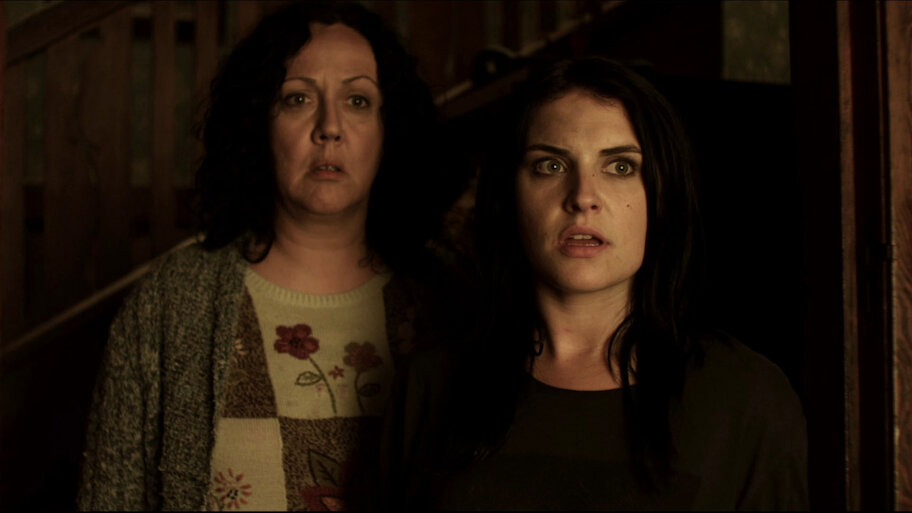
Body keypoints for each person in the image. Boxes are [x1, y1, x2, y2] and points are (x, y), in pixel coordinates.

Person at [78, 2, 465, 510]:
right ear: (259, 122)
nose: (329, 127)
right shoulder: (173, 300)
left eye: (357, 100)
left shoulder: (451, 298)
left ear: (388, 128)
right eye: (298, 98)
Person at [382, 57, 809, 510]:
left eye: (620, 167)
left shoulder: (744, 397)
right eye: (550, 165)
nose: (583, 197)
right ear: (510, 194)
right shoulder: (431, 386)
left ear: (662, 194)